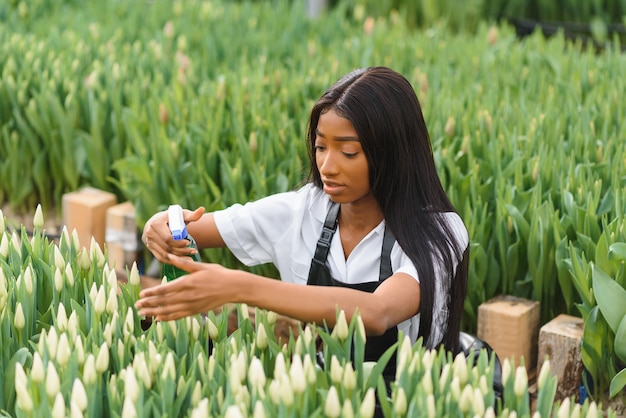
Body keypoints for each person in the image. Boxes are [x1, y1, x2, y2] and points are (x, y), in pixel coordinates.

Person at [135, 66, 469, 375]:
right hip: (314, 396)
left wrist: (236, 286)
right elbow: (187, 228)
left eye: (348, 152)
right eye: (321, 147)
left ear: (392, 154)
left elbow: (378, 313)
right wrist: (162, 225)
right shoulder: (303, 212)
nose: (327, 165)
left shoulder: (438, 232)